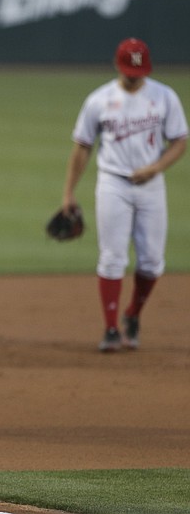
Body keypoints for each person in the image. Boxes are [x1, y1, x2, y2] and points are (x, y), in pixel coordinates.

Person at [60, 37, 188, 353]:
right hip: (113, 184)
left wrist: (155, 167)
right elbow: (82, 149)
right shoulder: (99, 100)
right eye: (130, 71)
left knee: (152, 262)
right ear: (119, 67)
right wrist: (68, 193)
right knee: (112, 258)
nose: (134, 76)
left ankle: (133, 314)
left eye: (139, 71)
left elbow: (180, 141)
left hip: (151, 186)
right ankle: (111, 329)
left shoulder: (164, 96)